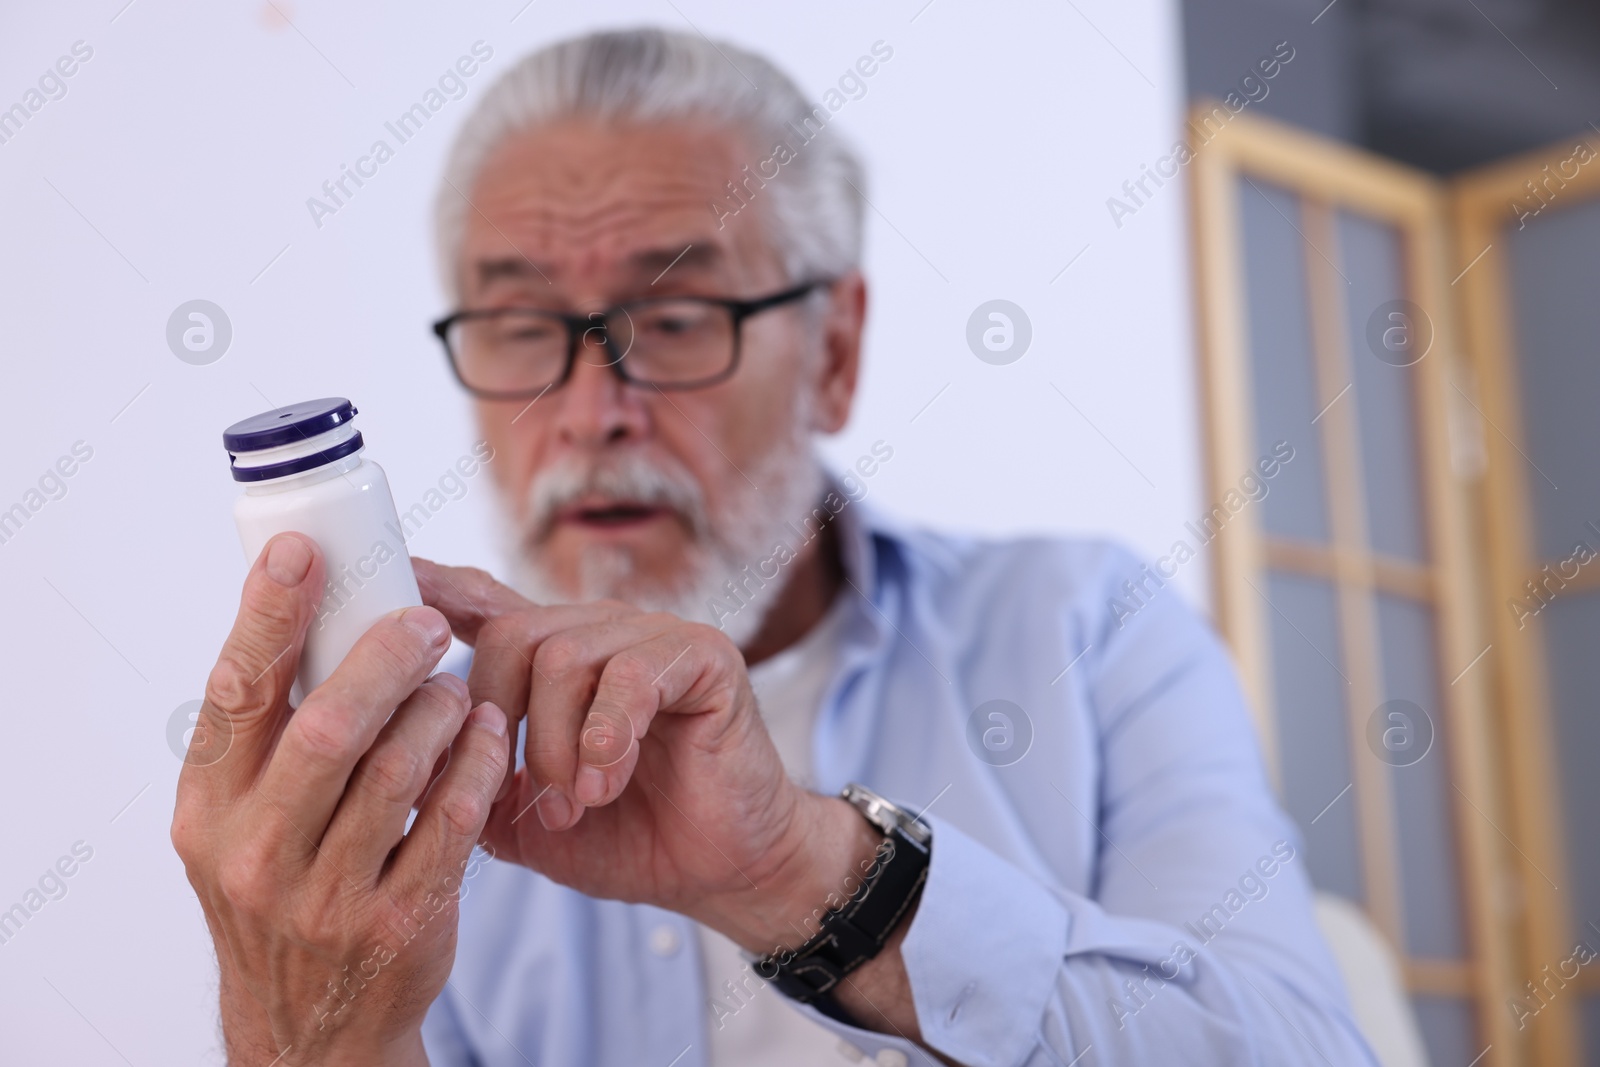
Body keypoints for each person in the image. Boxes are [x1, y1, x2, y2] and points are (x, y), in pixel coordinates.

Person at [171, 27, 1378, 1067]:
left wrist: (808, 871)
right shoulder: (416, 784)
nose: (591, 411)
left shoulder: (1090, 625)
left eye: (678, 317)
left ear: (836, 350)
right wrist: (312, 1032)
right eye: (522, 323)